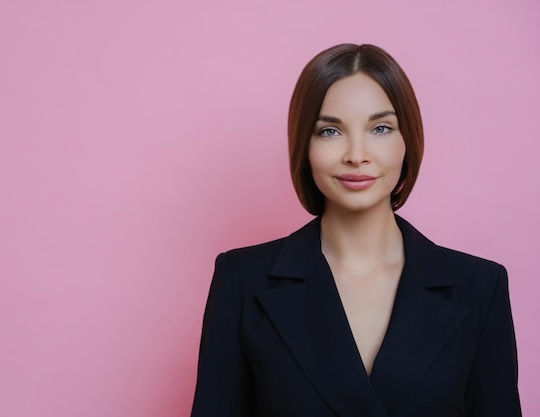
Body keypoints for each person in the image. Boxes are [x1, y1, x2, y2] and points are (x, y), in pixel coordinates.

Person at [190, 44, 521, 417]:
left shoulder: (480, 286)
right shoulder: (242, 281)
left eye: (380, 128)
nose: (357, 153)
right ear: (305, 145)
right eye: (330, 131)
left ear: (406, 142)